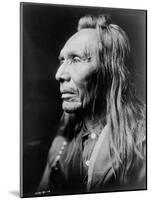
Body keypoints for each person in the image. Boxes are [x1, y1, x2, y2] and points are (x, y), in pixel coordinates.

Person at [36, 14, 146, 195]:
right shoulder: (61, 143)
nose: (59, 74)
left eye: (76, 59)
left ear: (110, 72)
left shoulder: (142, 141)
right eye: (62, 60)